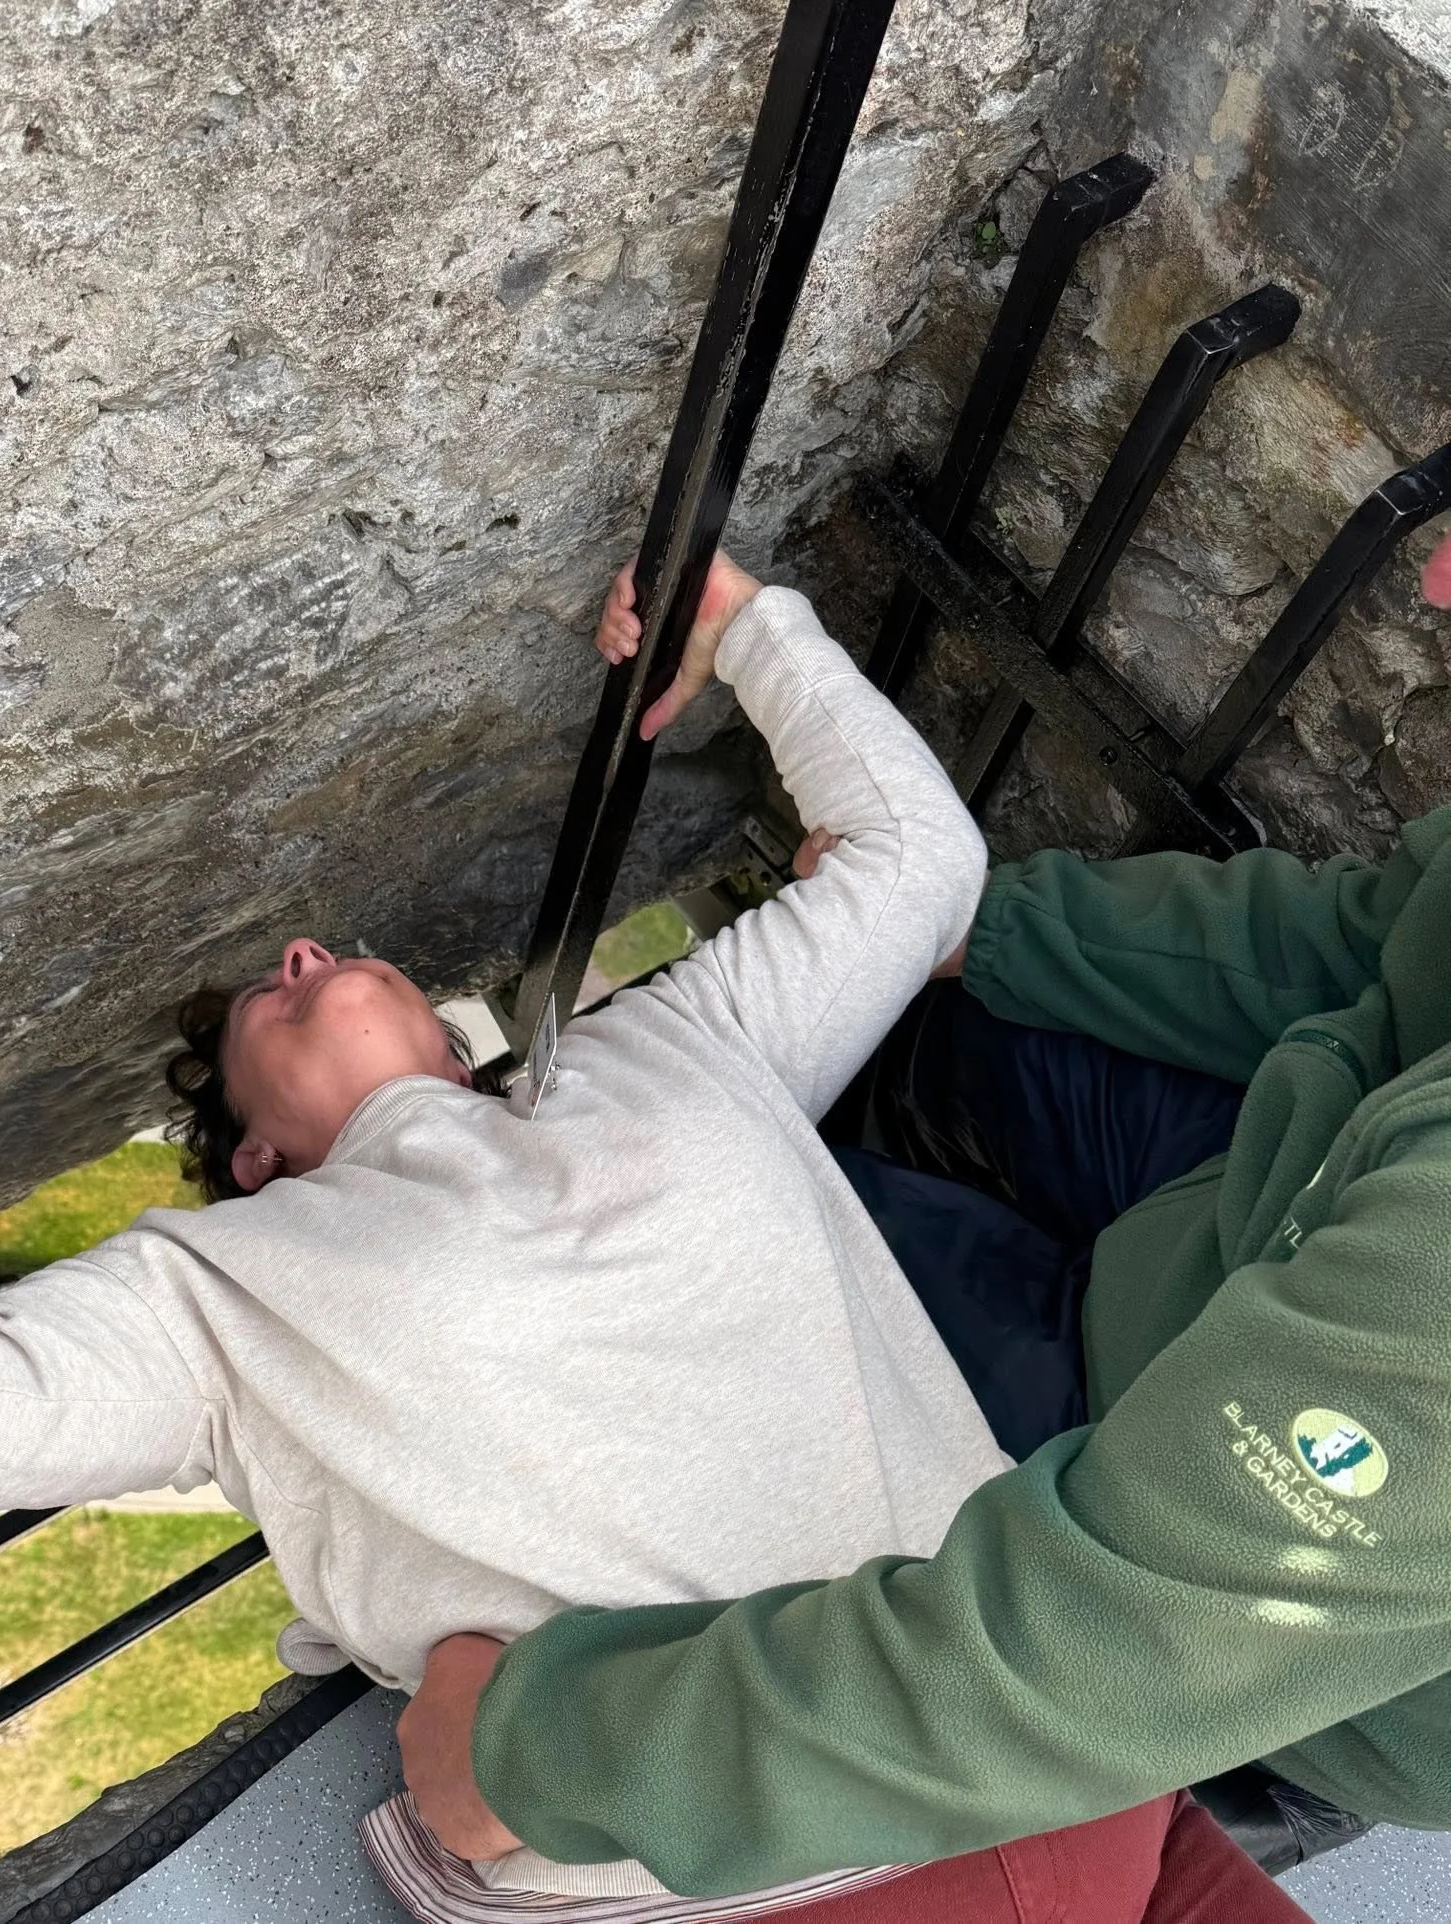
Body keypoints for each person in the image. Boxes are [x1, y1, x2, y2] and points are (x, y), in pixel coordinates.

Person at [0, 550, 1313, 1923]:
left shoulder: (678, 1047)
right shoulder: (215, 1307)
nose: (305, 957)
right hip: (771, 1857)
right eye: (264, 1000)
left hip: (1051, 1728)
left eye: (317, 950)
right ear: (253, 1163)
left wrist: (746, 625)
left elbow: (914, 868)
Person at [397, 563, 1451, 1915]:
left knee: (719, 1260)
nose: (1423, 576)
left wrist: (537, 1757)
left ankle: (1249, 1772)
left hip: (1217, 1546)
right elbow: (1375, 945)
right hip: (1254, 1208)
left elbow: (1093, 1647)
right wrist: (980, 927)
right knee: (906, 1047)